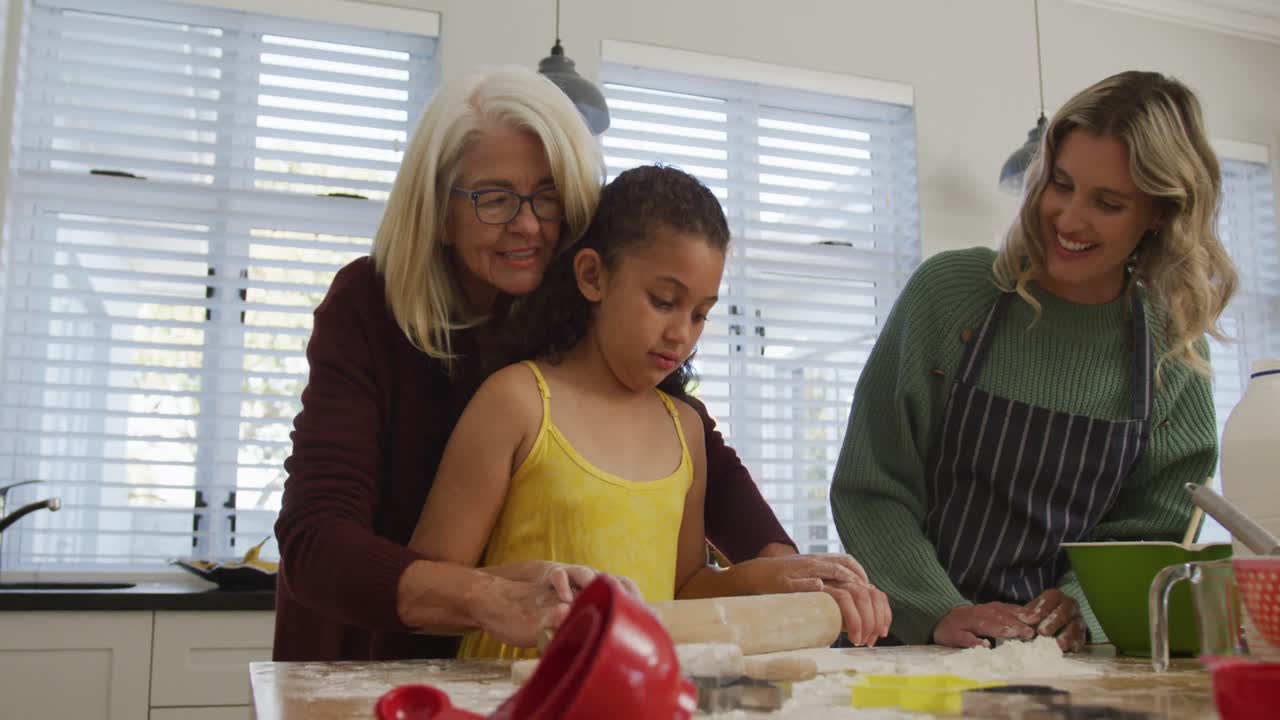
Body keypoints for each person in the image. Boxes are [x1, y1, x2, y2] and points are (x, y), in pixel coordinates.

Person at [274, 66, 877, 662]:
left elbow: (696, 455)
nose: (529, 223)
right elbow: (317, 537)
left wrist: (781, 568)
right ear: (438, 205)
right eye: (494, 198)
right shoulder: (371, 307)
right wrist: (489, 596)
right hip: (368, 648)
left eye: (549, 195)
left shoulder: (581, 310)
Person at [408, 165, 893, 658]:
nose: (681, 332)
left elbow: (682, 589)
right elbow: (424, 591)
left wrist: (771, 577)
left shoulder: (684, 429)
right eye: (663, 301)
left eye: (700, 314)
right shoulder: (515, 402)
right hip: (513, 700)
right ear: (593, 276)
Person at [830, 70, 1237, 652]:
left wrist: (1084, 611)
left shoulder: (1171, 354)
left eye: (1108, 202)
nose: (1069, 220)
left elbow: (1152, 534)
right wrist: (939, 609)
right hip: (909, 646)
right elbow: (874, 487)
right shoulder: (949, 294)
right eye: (1061, 184)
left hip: (1064, 666)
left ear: (1159, 212)